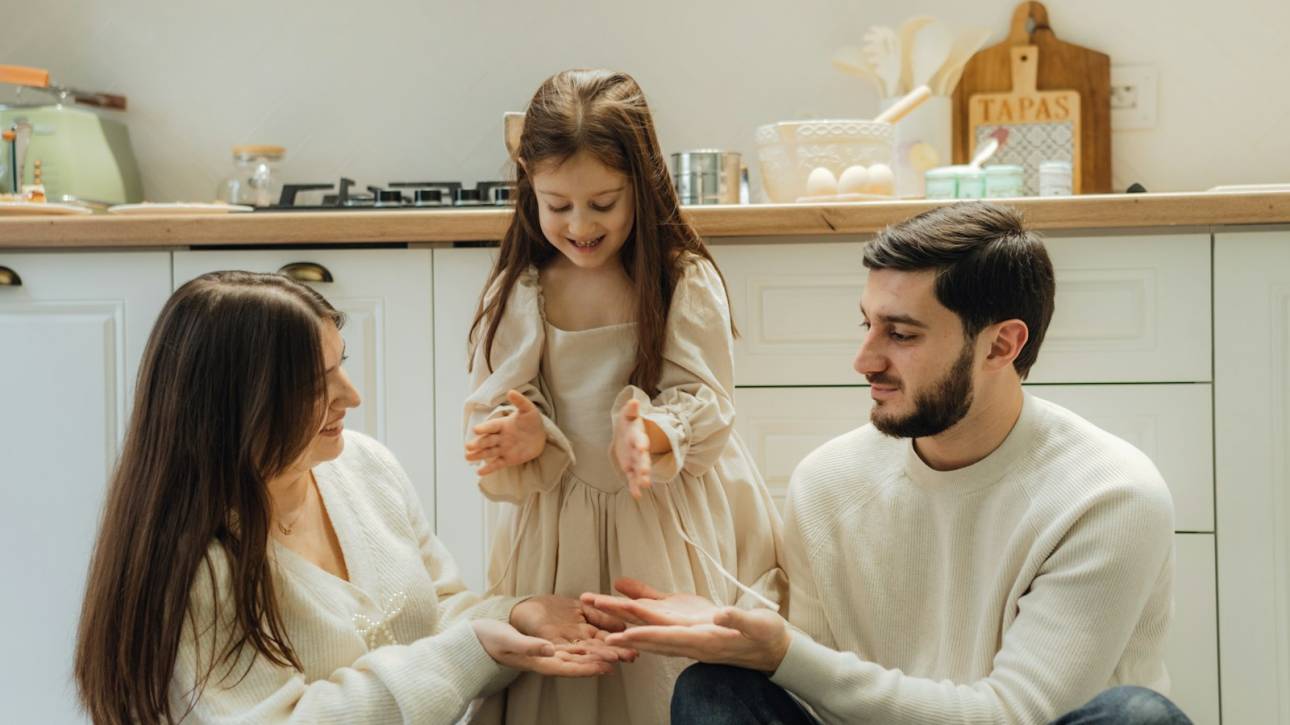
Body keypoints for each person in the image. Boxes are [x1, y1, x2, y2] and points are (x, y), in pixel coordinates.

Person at [586, 202, 1194, 724]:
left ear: (1001, 345)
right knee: (713, 690)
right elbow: (820, 700)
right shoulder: (828, 482)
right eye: (867, 324)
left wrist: (784, 652)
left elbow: (1014, 714)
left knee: (1138, 717)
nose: (864, 359)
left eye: (901, 335)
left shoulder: (1107, 494)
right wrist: (754, 643)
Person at [74, 271, 629, 725]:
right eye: (318, 383)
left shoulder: (363, 466)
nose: (352, 396)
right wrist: (472, 653)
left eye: (342, 364)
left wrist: (518, 613)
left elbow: (438, 612)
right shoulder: (198, 567)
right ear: (237, 406)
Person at [462, 68, 785, 724]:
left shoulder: (681, 280)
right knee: (570, 683)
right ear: (529, 186)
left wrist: (653, 434)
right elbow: (504, 400)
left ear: (643, 184)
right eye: (558, 204)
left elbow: (705, 396)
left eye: (602, 203)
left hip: (667, 513)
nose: (580, 224)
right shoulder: (519, 292)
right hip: (560, 529)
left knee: (668, 679)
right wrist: (523, 433)